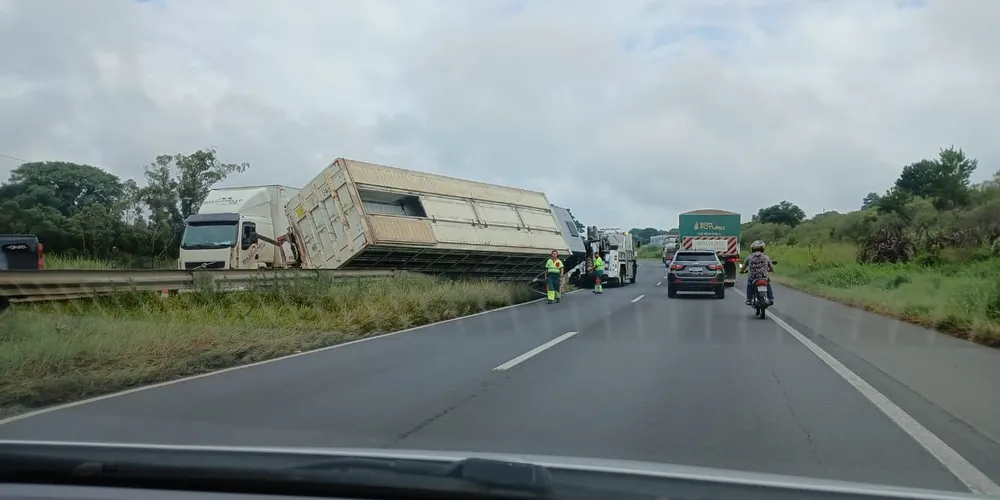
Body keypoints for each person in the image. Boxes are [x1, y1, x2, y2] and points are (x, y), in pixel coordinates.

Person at [741, 240, 774, 305]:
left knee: (749, 285)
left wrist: (742, 271)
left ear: (753, 249)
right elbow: (771, 267)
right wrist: (770, 270)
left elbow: (743, 267)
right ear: (762, 249)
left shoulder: (749, 257)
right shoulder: (765, 256)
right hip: (764, 276)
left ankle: (749, 299)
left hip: (753, 277)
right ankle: (770, 298)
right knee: (768, 284)